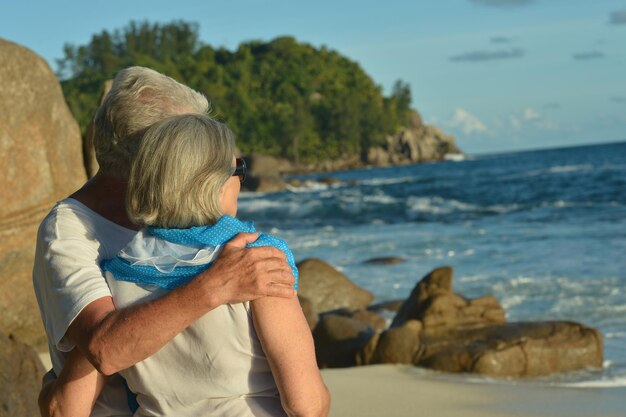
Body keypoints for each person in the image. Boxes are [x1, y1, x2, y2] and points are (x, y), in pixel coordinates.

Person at [33, 67, 296, 417]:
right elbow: (106, 351)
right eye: (188, 141)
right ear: (153, 155)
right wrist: (215, 284)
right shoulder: (71, 231)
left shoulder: (176, 225)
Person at [92, 113, 328, 416]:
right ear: (213, 185)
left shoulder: (116, 269)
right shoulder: (255, 262)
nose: (239, 181)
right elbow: (305, 405)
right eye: (237, 169)